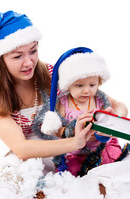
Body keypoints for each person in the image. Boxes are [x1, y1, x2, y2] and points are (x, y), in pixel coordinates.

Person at [0, 11, 94, 176]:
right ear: (0, 59)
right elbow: (21, 148)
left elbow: (99, 99)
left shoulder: (52, 74)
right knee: (15, 182)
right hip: (31, 158)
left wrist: (111, 115)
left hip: (64, 148)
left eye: (33, 51)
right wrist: (74, 143)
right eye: (18, 56)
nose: (28, 62)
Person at [37, 47, 129, 177]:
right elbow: (55, 129)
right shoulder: (64, 103)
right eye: (79, 86)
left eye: (92, 85)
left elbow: (120, 105)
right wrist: (70, 132)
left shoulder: (99, 97)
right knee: (71, 172)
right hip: (75, 151)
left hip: (100, 148)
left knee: (110, 170)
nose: (87, 91)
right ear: (68, 85)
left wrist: (116, 116)